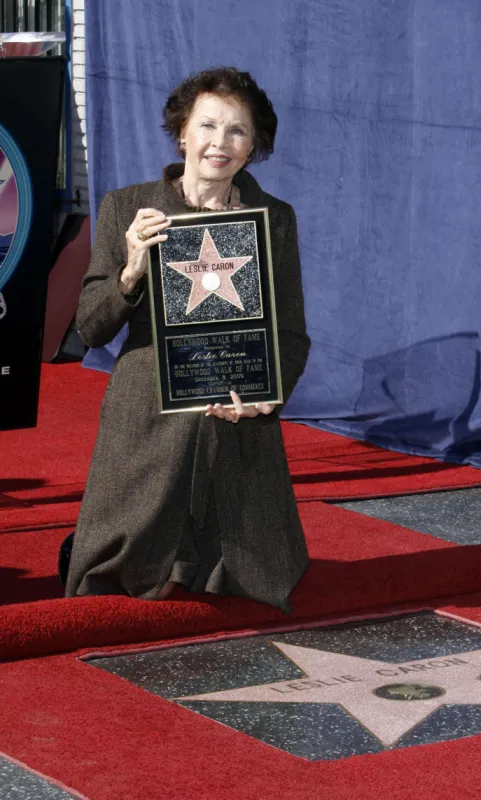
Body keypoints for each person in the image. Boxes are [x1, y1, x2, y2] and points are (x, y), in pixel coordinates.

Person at [64, 67, 310, 611]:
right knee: (113, 581)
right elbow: (91, 327)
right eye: (207, 125)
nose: (220, 143)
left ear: (254, 147)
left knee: (260, 582)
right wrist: (131, 270)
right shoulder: (127, 208)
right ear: (182, 133)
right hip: (149, 403)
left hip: (237, 410)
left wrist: (268, 397)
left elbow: (290, 333)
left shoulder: (273, 219)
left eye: (238, 131)